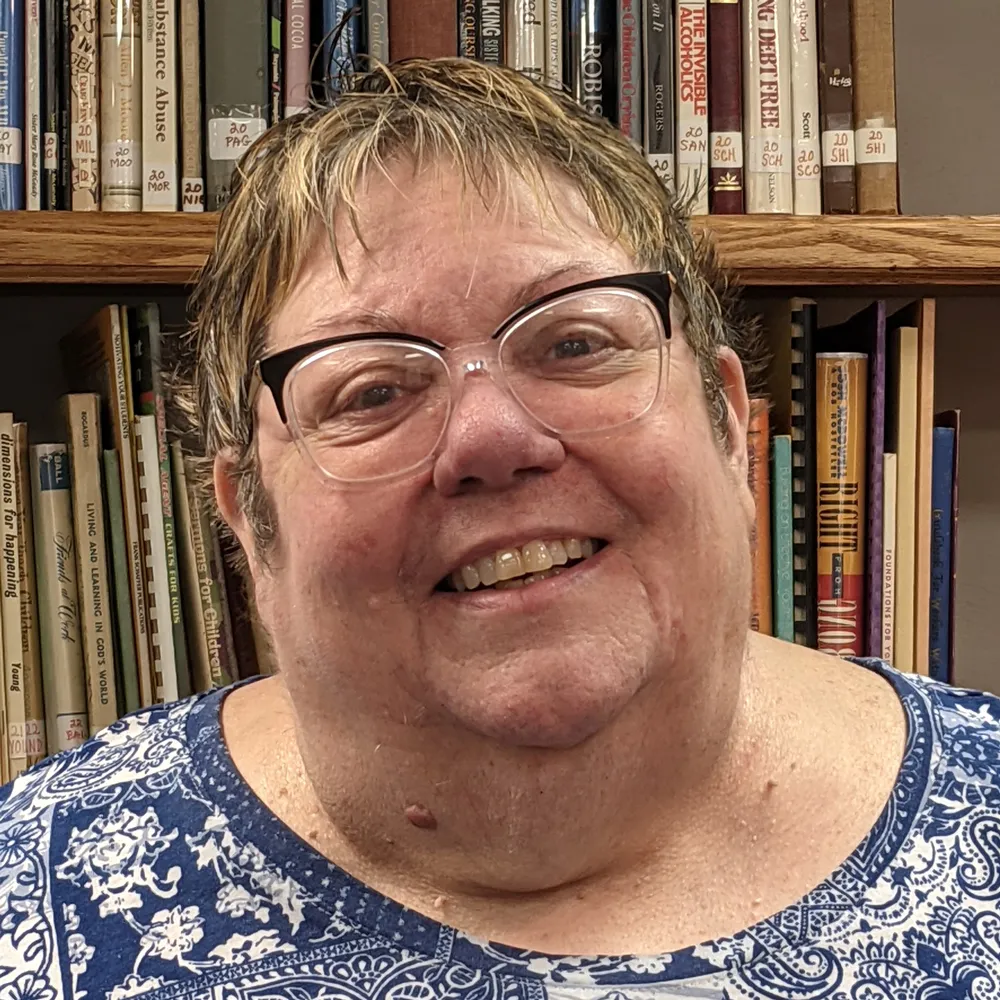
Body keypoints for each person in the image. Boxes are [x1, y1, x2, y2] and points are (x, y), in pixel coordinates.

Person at [1, 57, 998, 999]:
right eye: (373, 389)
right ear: (251, 527)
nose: (491, 438)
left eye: (574, 342)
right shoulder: (39, 894)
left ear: (730, 427)